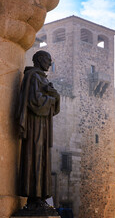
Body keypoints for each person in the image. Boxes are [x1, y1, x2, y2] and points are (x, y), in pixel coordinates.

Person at [18, 50, 60, 211]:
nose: (50, 63)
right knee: (35, 157)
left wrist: (54, 96)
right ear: (40, 59)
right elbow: (35, 101)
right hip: (35, 125)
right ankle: (34, 197)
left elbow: (52, 107)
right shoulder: (34, 76)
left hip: (41, 125)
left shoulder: (39, 77)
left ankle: (39, 197)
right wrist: (52, 96)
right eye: (48, 60)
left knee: (41, 158)